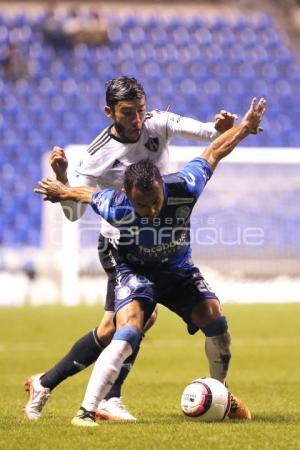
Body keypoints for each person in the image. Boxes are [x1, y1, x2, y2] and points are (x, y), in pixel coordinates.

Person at [35, 96, 266, 426]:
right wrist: (62, 188)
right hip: (135, 270)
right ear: (129, 197)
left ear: (161, 186)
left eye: (155, 201)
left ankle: (222, 394)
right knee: (126, 330)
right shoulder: (118, 205)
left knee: (217, 323)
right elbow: (86, 195)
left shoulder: (185, 186)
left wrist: (244, 127)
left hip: (177, 269)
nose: (152, 210)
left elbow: (213, 151)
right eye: (143, 206)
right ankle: (86, 410)